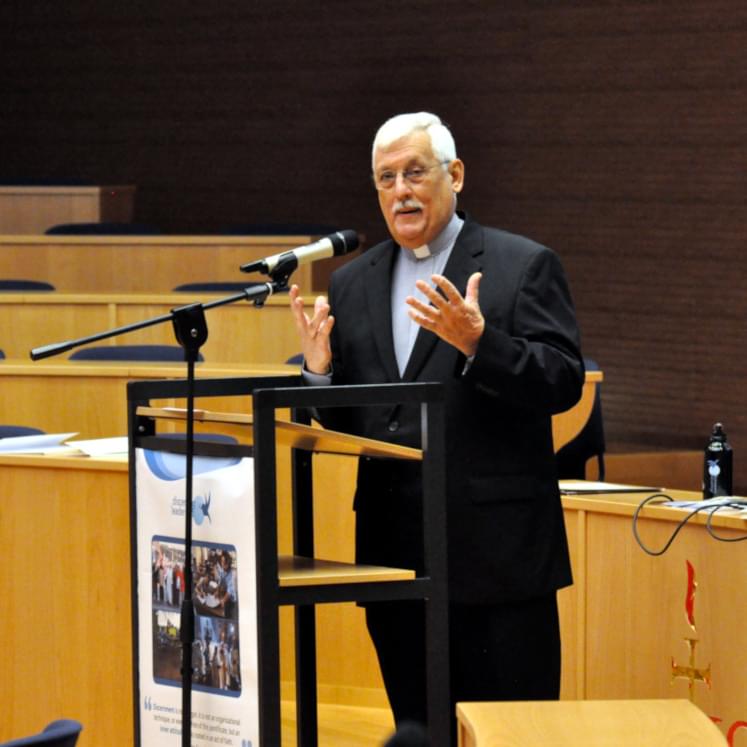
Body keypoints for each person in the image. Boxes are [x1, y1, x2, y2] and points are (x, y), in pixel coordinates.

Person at [289, 112, 584, 740]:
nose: (401, 190)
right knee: (418, 732)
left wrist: (482, 344)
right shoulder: (351, 284)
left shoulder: (521, 264)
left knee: (512, 736)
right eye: (385, 178)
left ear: (455, 175)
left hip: (498, 565)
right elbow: (360, 423)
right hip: (396, 566)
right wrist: (317, 376)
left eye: (415, 173)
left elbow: (561, 381)